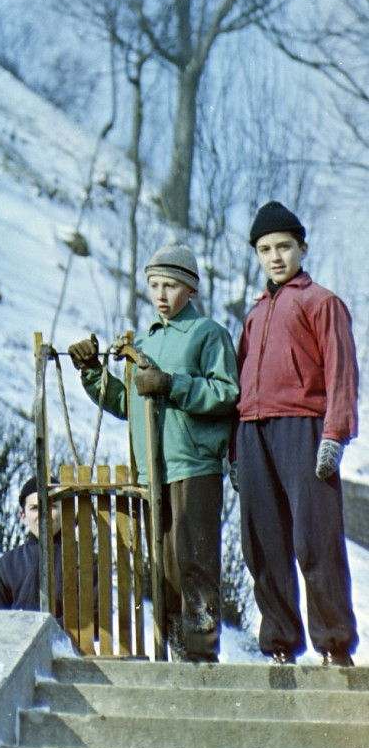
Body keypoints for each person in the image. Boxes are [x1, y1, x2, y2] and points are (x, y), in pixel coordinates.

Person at [68, 244, 239, 662]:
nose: (162, 294)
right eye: (155, 285)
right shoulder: (144, 340)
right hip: (151, 468)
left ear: (192, 289)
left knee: (194, 562)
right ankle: (172, 651)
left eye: (172, 285)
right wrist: (92, 373)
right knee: (162, 568)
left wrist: (172, 384)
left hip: (193, 464)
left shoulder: (207, 334)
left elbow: (227, 393)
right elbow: (128, 402)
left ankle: (200, 656)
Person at [234, 201, 359, 667]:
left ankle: (333, 645)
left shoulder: (321, 302)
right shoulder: (255, 312)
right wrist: (235, 449)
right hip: (253, 432)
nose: (275, 257)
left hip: (303, 427)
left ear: (302, 248)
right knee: (262, 542)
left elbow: (342, 372)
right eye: (265, 249)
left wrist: (335, 433)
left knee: (315, 538)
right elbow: (242, 378)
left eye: (284, 247)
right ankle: (280, 645)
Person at [0, 475, 64, 616]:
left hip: (65, 638)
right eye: (35, 508)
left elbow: (95, 621)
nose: (44, 514)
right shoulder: (8, 564)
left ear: (65, 511)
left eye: (53, 506)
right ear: (23, 516)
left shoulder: (84, 560)